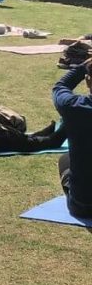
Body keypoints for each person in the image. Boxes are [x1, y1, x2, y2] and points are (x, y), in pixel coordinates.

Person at [54, 59, 92, 218]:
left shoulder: (74, 107)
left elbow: (60, 86)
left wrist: (82, 67)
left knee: (65, 160)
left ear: (88, 80)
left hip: (84, 205)